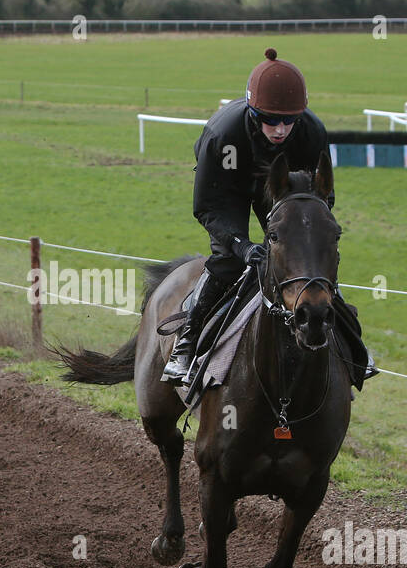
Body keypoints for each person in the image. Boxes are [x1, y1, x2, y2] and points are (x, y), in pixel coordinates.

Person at [161, 47, 376, 386]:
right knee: (228, 261)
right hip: (228, 188)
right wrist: (242, 245)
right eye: (271, 120)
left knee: (307, 260)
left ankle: (352, 345)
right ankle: (185, 345)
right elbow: (206, 206)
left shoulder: (311, 132)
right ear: (252, 112)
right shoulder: (222, 134)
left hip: (283, 187)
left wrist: (305, 234)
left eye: (289, 121)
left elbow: (321, 196)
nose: (280, 130)